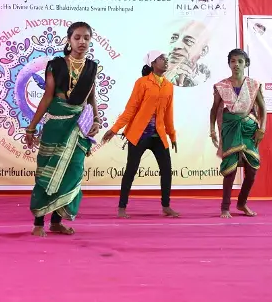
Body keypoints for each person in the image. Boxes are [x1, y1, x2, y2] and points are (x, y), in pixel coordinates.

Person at [24, 21, 100, 237]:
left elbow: (91, 98)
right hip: (56, 125)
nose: (82, 41)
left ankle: (56, 222)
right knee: (47, 172)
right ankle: (39, 222)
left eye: (86, 38)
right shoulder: (56, 65)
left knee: (72, 171)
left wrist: (96, 119)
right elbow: (47, 96)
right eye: (77, 37)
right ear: (69, 40)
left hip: (78, 127)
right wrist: (31, 128)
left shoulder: (92, 67)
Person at [102, 50, 179, 219]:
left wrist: (172, 135)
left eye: (165, 58)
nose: (165, 61)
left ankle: (166, 206)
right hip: (139, 135)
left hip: (158, 135)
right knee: (131, 170)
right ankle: (122, 207)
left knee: (167, 170)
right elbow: (130, 109)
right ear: (153, 63)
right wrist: (114, 129)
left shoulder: (169, 86)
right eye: (161, 59)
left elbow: (168, 114)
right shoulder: (142, 83)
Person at [209, 48, 267, 218]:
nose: (236, 65)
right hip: (230, 129)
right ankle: (225, 208)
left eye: (240, 61)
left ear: (246, 64)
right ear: (229, 64)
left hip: (249, 129)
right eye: (233, 61)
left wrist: (262, 129)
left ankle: (242, 203)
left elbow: (263, 109)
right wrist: (212, 129)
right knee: (230, 169)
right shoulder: (221, 86)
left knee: (252, 170)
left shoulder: (253, 85)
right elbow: (214, 109)